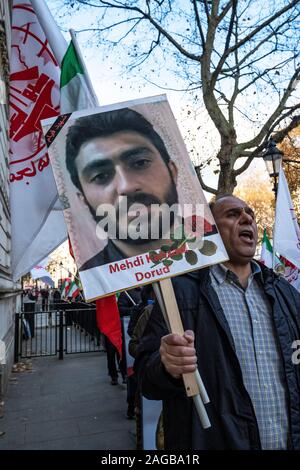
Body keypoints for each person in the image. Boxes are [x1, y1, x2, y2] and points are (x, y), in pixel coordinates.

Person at [135, 195, 300, 450]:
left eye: (250, 214)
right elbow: (147, 379)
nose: (247, 219)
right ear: (209, 230)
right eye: (233, 215)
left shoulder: (285, 294)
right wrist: (167, 366)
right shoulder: (181, 294)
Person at [65, 108, 217, 270]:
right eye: (101, 176)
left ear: (172, 170)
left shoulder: (220, 250)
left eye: (140, 163)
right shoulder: (95, 279)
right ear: (84, 200)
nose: (127, 186)